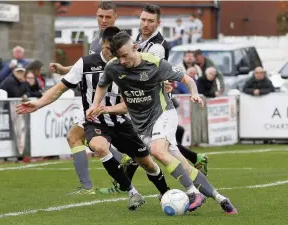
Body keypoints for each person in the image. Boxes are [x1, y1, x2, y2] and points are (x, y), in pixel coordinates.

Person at [16, 27, 171, 211]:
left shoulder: (128, 65)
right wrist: (38, 103)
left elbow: (128, 104)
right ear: (102, 44)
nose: (110, 52)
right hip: (95, 122)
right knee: (99, 146)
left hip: (121, 121)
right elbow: (60, 88)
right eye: (107, 47)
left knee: (147, 162)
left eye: (114, 48)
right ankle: (133, 192)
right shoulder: (86, 63)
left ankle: (165, 192)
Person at [87, 31, 237, 214]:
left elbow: (187, 79)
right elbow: (102, 85)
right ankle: (221, 199)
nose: (123, 61)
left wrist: (194, 93)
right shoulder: (113, 67)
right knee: (183, 164)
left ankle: (193, 193)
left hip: (163, 113)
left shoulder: (155, 63)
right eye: (119, 57)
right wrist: (95, 105)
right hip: (142, 126)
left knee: (158, 151)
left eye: (125, 55)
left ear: (135, 47)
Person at [100, 4, 208, 195]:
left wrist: (166, 84)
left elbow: (153, 72)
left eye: (150, 21)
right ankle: (194, 168)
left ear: (158, 23)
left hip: (153, 103)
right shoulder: (135, 40)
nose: (145, 24)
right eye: (143, 19)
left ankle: (130, 186)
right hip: (138, 102)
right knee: (155, 148)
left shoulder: (157, 46)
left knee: (147, 147)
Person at [49, 1, 119, 195]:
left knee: (77, 138)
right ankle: (123, 167)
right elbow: (87, 65)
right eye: (100, 16)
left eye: (108, 17)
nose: (103, 20)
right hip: (92, 100)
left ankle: (90, 187)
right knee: (87, 140)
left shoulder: (119, 41)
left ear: (116, 18)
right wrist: (65, 69)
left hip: (107, 102)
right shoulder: (97, 40)